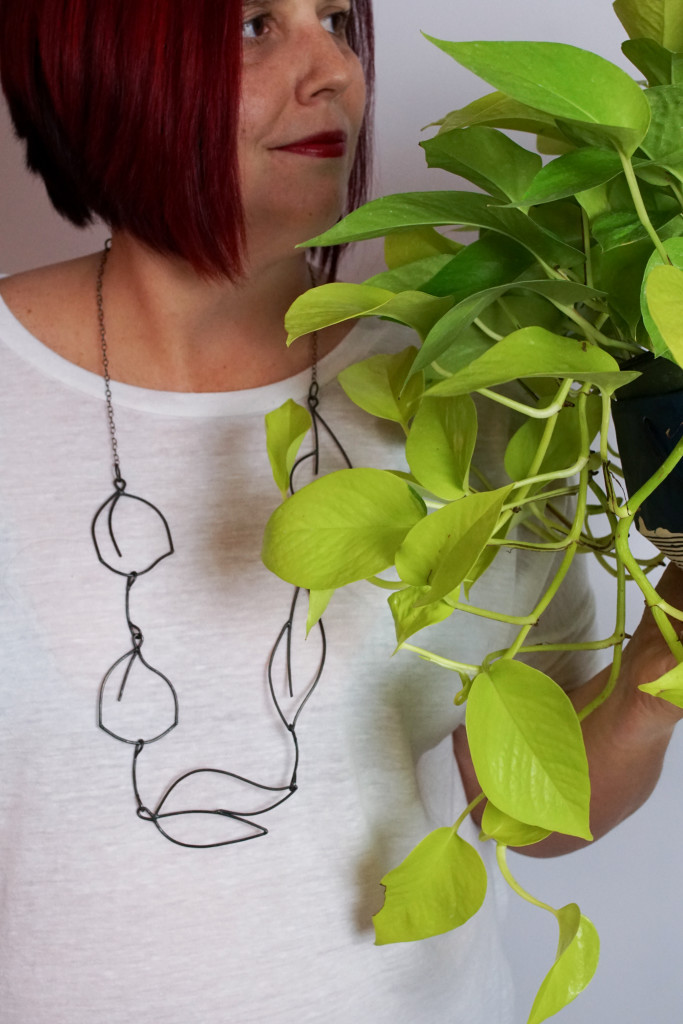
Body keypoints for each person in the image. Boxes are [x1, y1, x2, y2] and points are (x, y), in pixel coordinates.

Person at [1, 2, 682, 1022]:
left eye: (335, 20)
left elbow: (530, 805)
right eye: (253, 26)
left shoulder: (476, 392)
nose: (335, 72)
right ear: (106, 58)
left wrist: (655, 669)